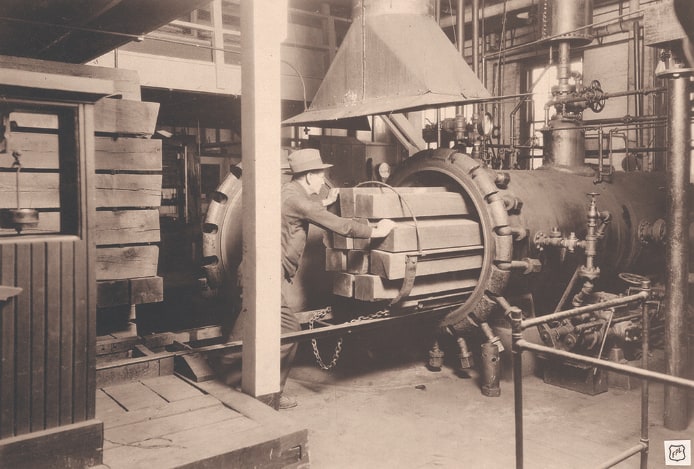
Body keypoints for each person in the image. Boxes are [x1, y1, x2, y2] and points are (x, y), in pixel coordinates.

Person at [277, 148, 396, 408]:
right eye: (320, 175)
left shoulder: (288, 193)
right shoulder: (298, 200)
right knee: (287, 332)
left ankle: (232, 381)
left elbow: (300, 208)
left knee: (240, 334)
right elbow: (340, 226)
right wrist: (375, 231)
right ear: (308, 176)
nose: (323, 181)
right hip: (268, 277)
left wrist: (322, 202)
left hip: (259, 273)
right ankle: (270, 393)